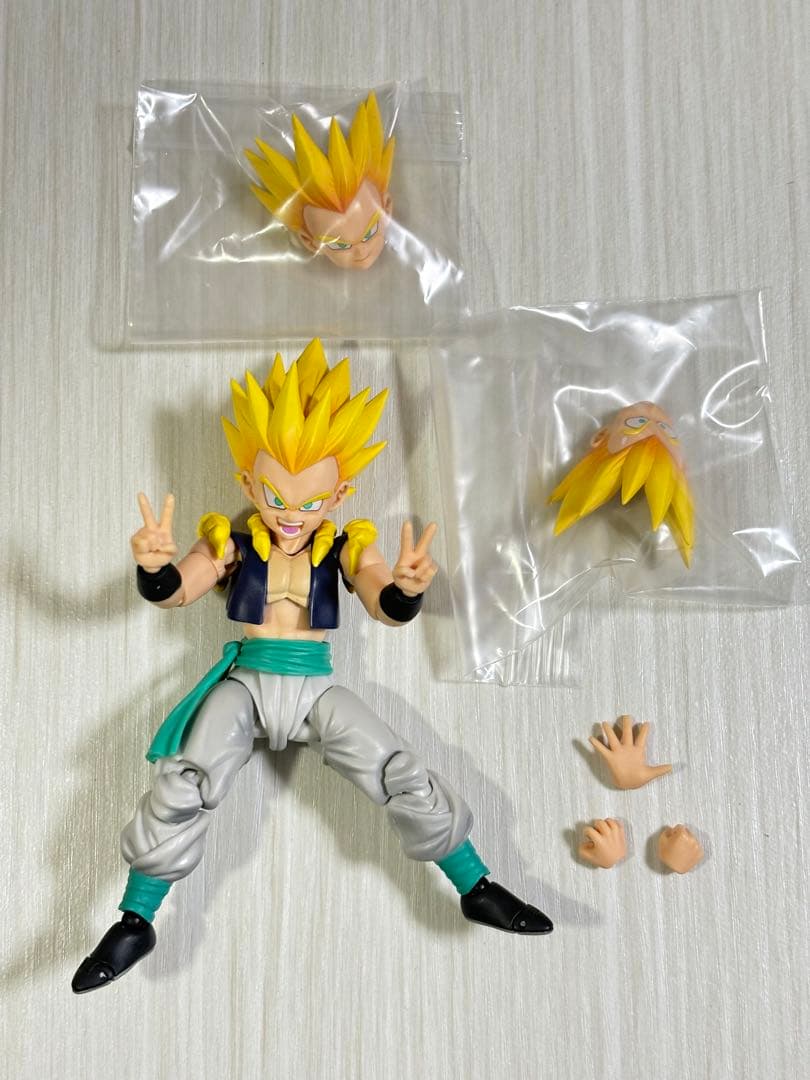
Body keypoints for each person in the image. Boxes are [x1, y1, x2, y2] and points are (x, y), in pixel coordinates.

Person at [72, 340, 552, 994]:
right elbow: (177, 590)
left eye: (309, 502)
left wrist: (408, 589)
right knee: (186, 780)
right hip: (245, 683)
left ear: (340, 494)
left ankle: (475, 885)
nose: (291, 516)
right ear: (249, 485)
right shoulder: (232, 540)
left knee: (398, 767)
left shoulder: (346, 545)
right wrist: (154, 567)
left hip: (314, 686)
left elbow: (384, 602)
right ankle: (136, 918)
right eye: (275, 497)